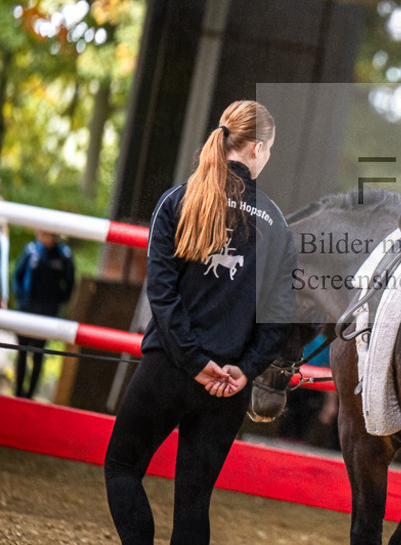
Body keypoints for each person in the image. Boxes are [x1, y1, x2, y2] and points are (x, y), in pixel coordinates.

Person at [104, 100, 296, 544]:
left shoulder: (177, 200)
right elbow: (279, 318)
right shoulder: (278, 225)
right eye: (269, 149)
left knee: (122, 468)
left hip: (169, 369)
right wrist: (244, 370)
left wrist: (192, 360)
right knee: (194, 503)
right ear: (258, 148)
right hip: (227, 386)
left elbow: (161, 293)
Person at [12, 229, 76, 398]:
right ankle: (18, 392)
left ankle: (30, 395)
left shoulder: (64, 255)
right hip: (26, 311)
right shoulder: (31, 250)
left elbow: (69, 285)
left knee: (38, 353)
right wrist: (21, 298)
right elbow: (17, 277)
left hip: (47, 314)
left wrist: (56, 304)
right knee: (22, 351)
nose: (42, 235)